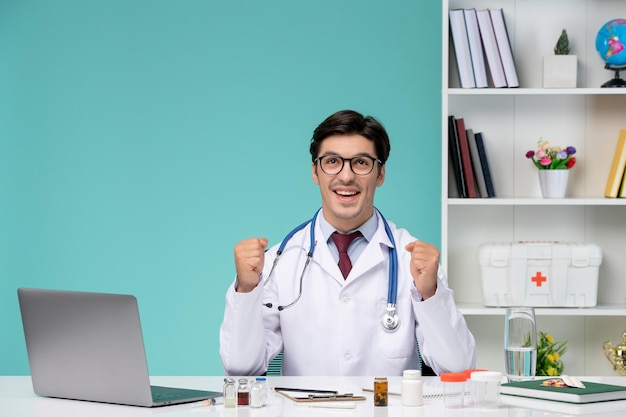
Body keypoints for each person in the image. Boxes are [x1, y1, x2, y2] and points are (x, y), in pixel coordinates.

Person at [220, 109, 475, 376]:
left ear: (380, 174)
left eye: (361, 163)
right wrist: (247, 290)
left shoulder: (413, 259)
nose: (346, 176)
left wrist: (431, 294)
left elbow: (458, 368)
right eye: (332, 162)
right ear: (315, 172)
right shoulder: (278, 261)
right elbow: (241, 368)